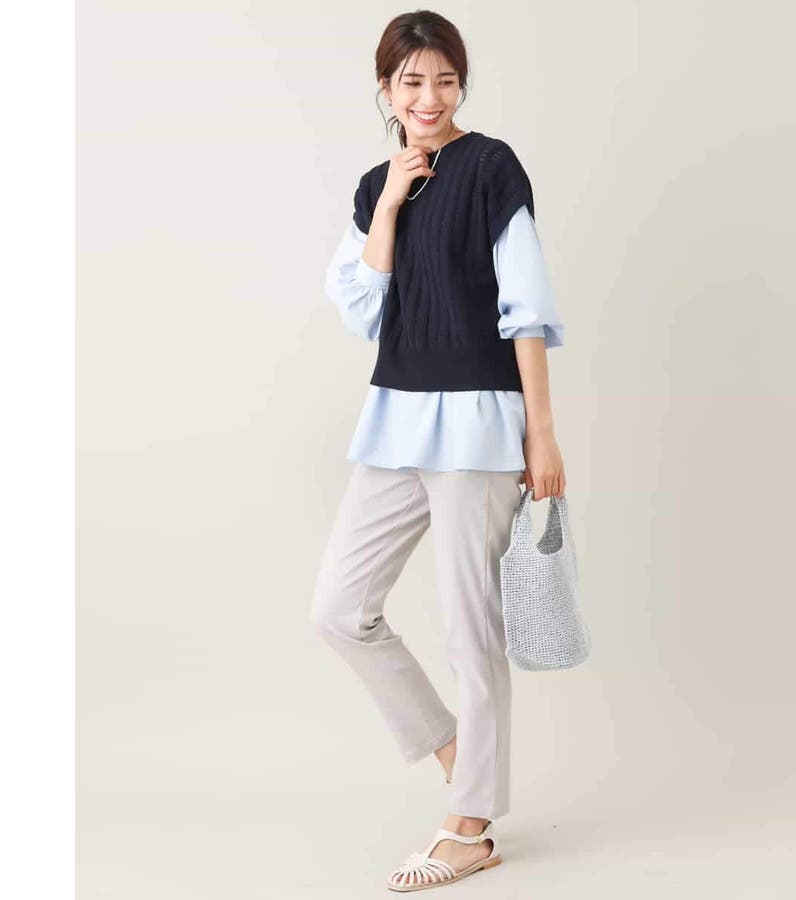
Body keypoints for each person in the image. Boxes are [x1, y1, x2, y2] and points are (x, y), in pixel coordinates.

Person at [312, 10, 567, 892]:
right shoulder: (372, 186)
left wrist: (541, 432)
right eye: (412, 82)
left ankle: (470, 827)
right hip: (396, 419)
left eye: (445, 80)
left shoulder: (492, 168)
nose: (430, 97)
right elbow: (363, 309)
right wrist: (389, 200)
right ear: (385, 90)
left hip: (480, 424)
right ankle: (463, 759)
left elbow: (526, 307)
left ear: (462, 84)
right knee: (340, 608)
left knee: (469, 627)